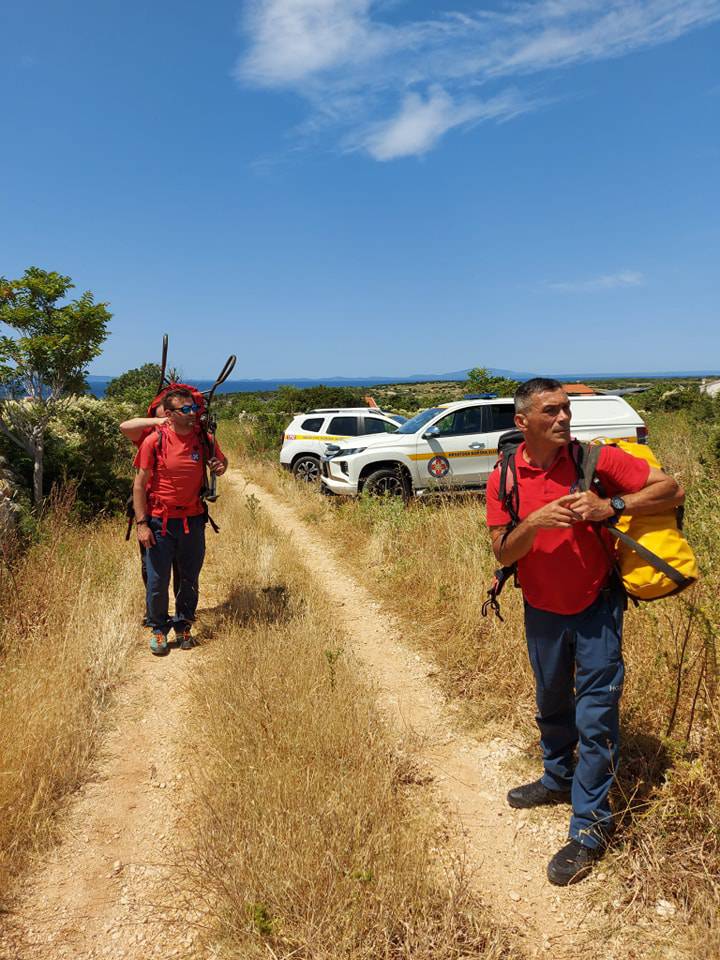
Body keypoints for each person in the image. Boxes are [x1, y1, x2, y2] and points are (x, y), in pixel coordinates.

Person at [485, 378, 683, 886]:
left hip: (597, 607)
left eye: (567, 410)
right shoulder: (504, 475)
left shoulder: (596, 461)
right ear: (522, 421)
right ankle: (557, 778)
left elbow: (670, 488)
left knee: (596, 718)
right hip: (542, 611)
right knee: (551, 700)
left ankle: (590, 828)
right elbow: (502, 552)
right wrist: (534, 523)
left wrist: (611, 507)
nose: (564, 418)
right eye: (551, 411)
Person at [132, 388, 227, 655]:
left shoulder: (203, 439)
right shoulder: (154, 441)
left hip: (193, 520)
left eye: (193, 408)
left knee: (188, 578)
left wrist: (220, 467)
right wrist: (142, 524)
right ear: (170, 415)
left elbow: (222, 462)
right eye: (185, 410)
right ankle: (159, 630)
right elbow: (139, 486)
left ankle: (184, 623)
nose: (193, 413)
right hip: (160, 522)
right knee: (157, 580)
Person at [120, 404, 178, 624]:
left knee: (180, 566)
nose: (169, 418)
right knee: (151, 566)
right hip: (151, 509)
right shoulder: (149, 435)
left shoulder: (187, 434)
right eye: (164, 413)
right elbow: (125, 426)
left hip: (180, 513)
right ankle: (153, 611)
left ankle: (181, 613)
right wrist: (157, 423)